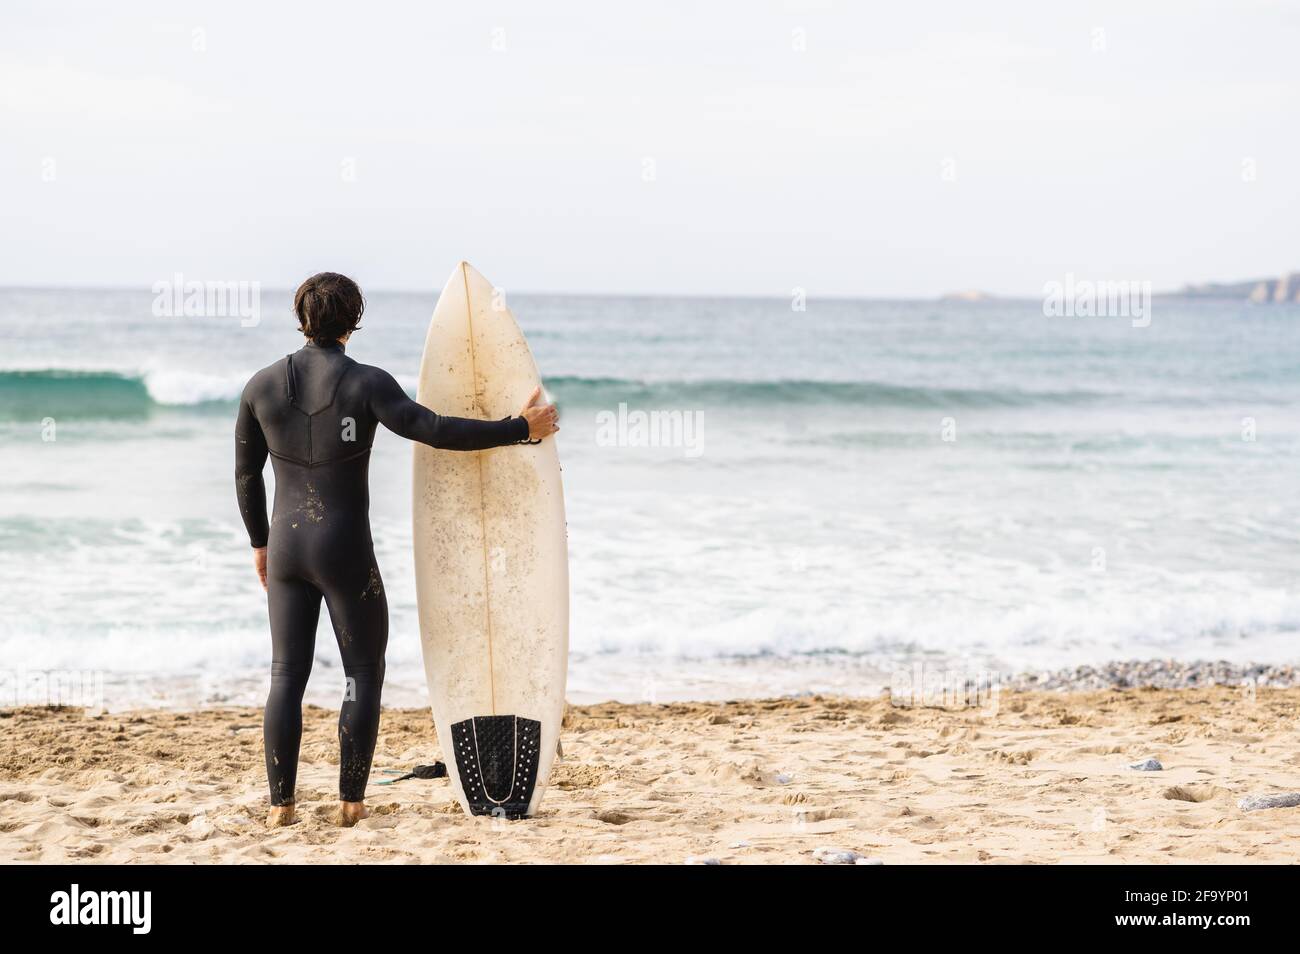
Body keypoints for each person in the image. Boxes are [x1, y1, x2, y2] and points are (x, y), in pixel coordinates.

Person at [234, 272, 559, 827]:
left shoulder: (260, 386)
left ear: (299, 316)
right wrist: (518, 428)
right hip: (345, 551)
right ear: (354, 319)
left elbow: (245, 475)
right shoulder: (367, 384)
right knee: (362, 671)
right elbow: (431, 428)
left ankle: (281, 807)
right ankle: (350, 803)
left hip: (288, 549)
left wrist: (261, 543)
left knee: (286, 674)